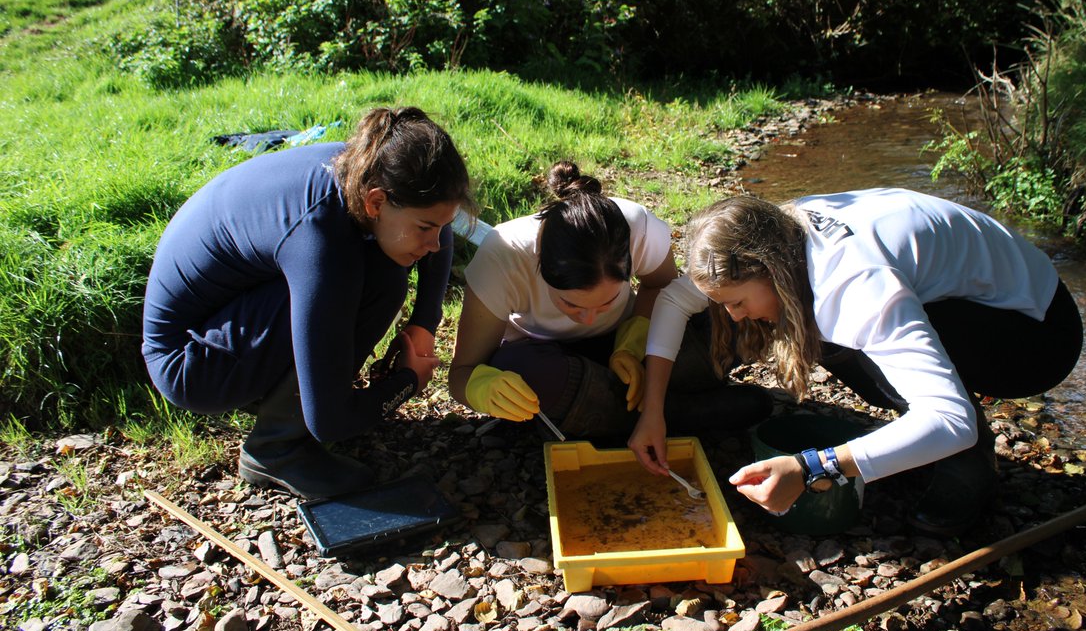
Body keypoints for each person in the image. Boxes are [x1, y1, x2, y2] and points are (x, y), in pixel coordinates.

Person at [630, 189, 1083, 536]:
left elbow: (953, 419)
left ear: (768, 269)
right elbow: (672, 300)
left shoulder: (853, 287)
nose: (734, 315)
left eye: (737, 302)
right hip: (978, 292)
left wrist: (814, 466)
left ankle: (969, 463)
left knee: (837, 331)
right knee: (817, 325)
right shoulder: (770, 233)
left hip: (1035, 332)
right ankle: (914, 426)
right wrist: (653, 413)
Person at [142, 107, 474, 499]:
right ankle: (276, 448)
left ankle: (285, 407)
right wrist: (406, 382)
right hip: (190, 361)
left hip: (238, 306)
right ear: (376, 203)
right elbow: (331, 423)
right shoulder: (322, 240)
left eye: (442, 225)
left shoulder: (372, 165)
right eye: (425, 228)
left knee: (382, 270)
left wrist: (424, 324)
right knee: (375, 278)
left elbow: (438, 223)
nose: (435, 243)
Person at [448, 161, 772, 441]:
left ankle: (606, 416)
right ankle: (675, 413)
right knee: (518, 369)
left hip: (625, 345)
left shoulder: (637, 227)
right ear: (539, 266)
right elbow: (462, 372)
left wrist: (631, 342)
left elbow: (661, 288)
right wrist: (480, 388)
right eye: (570, 305)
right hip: (552, 356)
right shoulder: (503, 256)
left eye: (606, 302)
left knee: (731, 311)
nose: (588, 319)